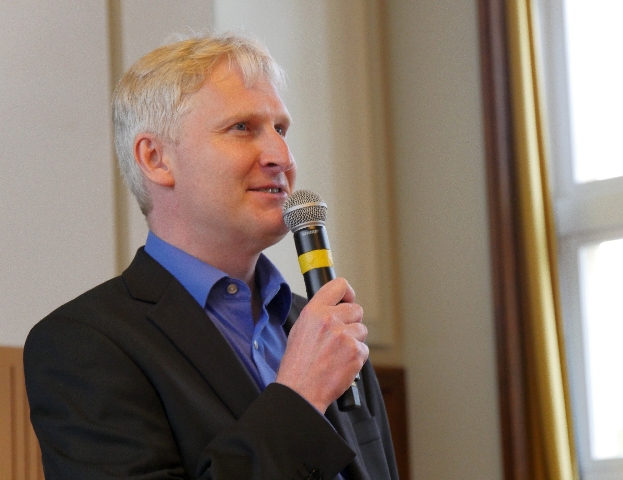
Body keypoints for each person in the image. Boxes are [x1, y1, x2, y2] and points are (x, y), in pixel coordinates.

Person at [24, 32, 399, 480]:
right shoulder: (82, 344)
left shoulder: (327, 330)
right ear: (156, 158)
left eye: (280, 129)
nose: (281, 156)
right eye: (242, 128)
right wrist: (299, 398)